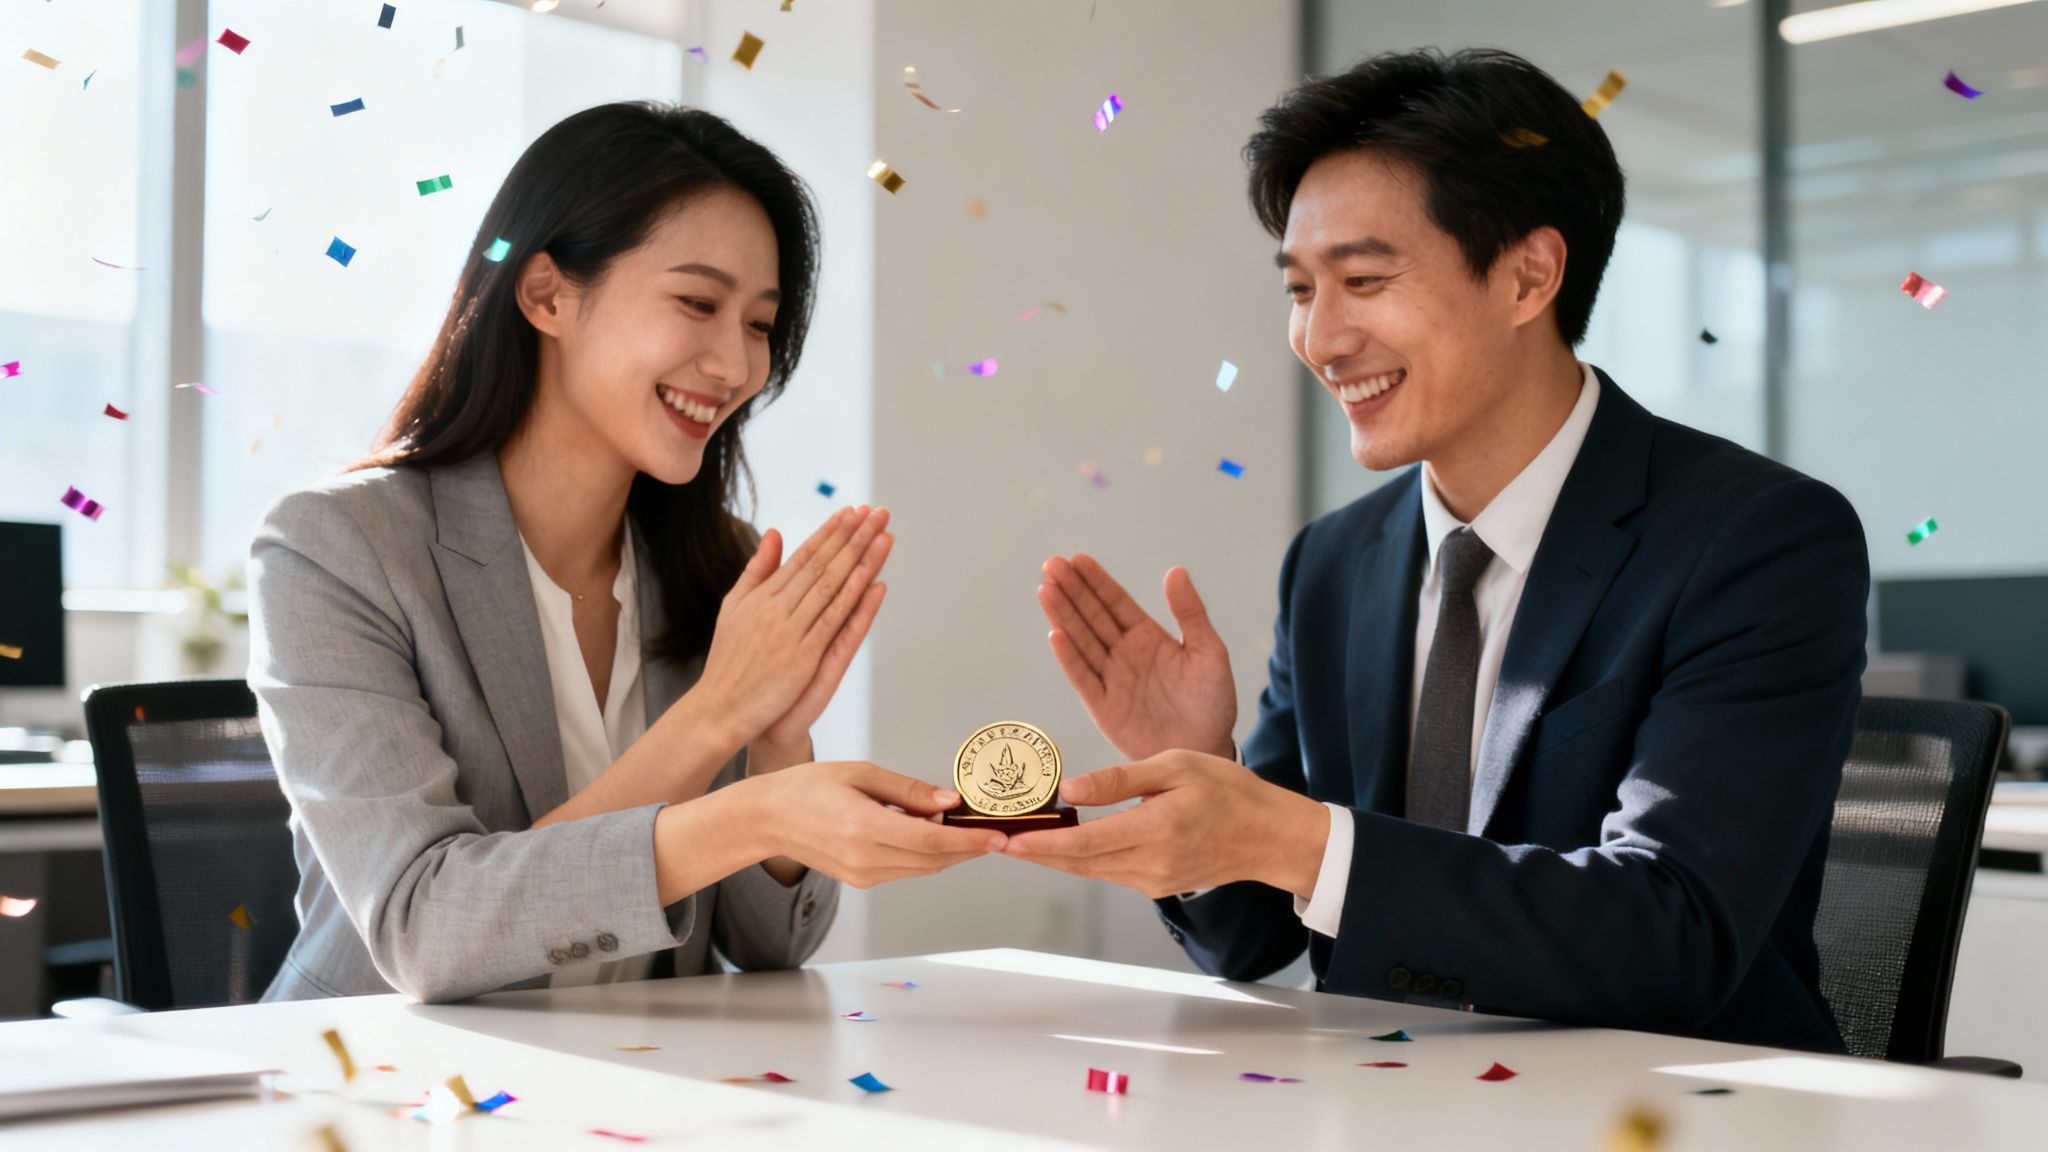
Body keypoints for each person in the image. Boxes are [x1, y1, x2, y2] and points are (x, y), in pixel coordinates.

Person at [1007, 49, 1868, 1052]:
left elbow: (1673, 934)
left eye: (1363, 280)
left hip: (1673, 1106)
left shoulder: (1755, 539)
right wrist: (1200, 767)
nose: (1319, 338)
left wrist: (1298, 838)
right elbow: (1248, 939)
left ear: (1527, 276)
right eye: (1300, 290)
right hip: (1387, 1097)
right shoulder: (1332, 563)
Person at [249, 103, 1005, 1003]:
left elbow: (769, 949)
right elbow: (426, 931)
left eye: (760, 324)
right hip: (379, 1073)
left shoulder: (715, 562)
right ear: (547, 295)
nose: (735, 366)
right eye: (698, 303)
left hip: (633, 1068)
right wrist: (719, 723)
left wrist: (776, 744)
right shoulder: (335, 547)